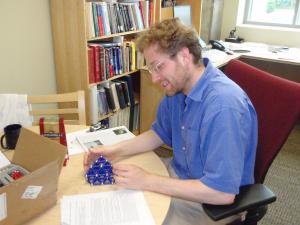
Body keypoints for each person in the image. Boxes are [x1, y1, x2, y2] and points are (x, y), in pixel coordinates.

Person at [84, 18, 258, 225]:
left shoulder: (223, 106)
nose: (155, 79)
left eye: (159, 67)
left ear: (185, 55)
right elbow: (159, 133)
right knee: (114, 194)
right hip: (180, 176)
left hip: (210, 203)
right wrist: (115, 151)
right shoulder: (177, 89)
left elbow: (221, 193)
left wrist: (148, 181)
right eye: (151, 70)